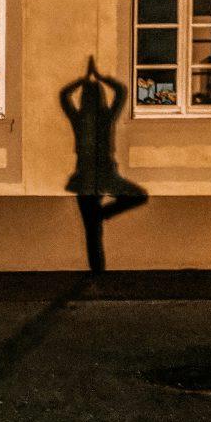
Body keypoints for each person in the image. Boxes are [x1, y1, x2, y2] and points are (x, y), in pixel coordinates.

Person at [60, 57, 148, 272]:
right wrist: (100, 77)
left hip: (88, 178)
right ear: (101, 99)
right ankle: (103, 217)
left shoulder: (79, 117)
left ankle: (97, 270)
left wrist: (82, 80)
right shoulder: (106, 116)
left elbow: (64, 96)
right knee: (137, 196)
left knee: (92, 229)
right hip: (104, 175)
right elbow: (120, 92)